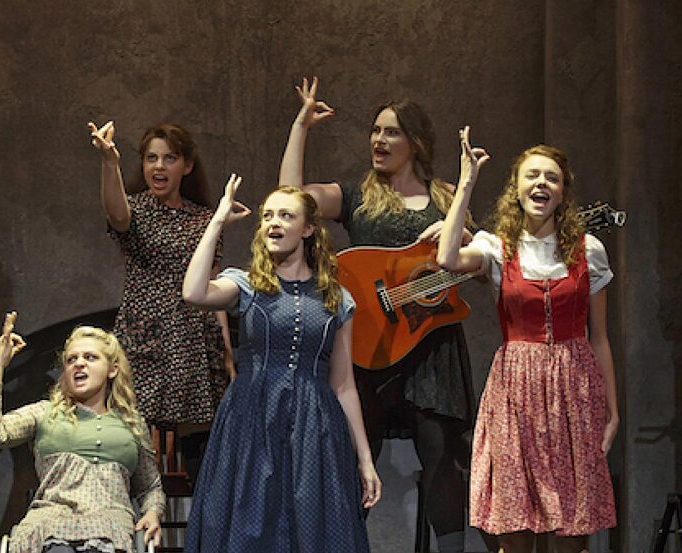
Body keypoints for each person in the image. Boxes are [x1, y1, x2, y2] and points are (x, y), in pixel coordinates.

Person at [278, 77, 475, 553]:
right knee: (354, 460)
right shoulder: (358, 195)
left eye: (391, 133)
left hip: (430, 347)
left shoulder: (448, 198)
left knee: (442, 456)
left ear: (416, 143)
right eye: (375, 131)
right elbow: (290, 198)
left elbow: (478, 258)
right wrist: (300, 127)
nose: (379, 141)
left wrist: (463, 238)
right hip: (367, 343)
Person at [437, 135, 618, 553]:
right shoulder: (496, 247)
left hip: (575, 389)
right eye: (532, 175)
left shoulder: (588, 250)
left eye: (551, 177)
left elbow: (601, 338)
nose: (541, 183)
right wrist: (466, 183)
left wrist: (612, 410)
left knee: (572, 528)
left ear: (562, 192)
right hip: (515, 389)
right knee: (515, 524)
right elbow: (447, 259)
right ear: (516, 189)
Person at [181, 176, 381, 552]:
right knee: (250, 524)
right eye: (268, 215)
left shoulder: (337, 299)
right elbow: (193, 291)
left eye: (286, 216)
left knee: (312, 529)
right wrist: (218, 221)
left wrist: (365, 460)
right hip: (253, 419)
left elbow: (344, 385)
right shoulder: (248, 285)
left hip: (314, 427)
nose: (274, 222)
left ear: (308, 229)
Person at [88, 120, 233, 473]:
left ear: (186, 165)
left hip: (193, 338)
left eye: (169, 158)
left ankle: (205, 523)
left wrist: (227, 351)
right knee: (133, 438)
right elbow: (116, 213)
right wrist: (109, 162)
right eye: (151, 158)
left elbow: (213, 285)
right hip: (145, 338)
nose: (158, 166)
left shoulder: (204, 219)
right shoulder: (136, 210)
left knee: (201, 445)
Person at [0, 313, 165, 553]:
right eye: (71, 359)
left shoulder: (131, 424)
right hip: (50, 524)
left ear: (112, 369)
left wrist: (152, 512)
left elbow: (150, 487)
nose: (79, 363)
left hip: (109, 528)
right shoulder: (45, 413)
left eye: (90, 357)